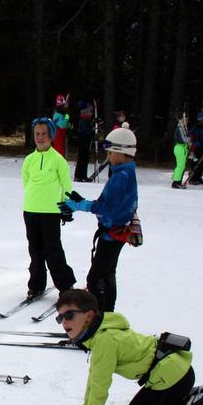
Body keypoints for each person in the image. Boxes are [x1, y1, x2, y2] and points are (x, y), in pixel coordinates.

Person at [53, 288, 203, 405]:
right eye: (60, 318)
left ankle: (195, 402)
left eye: (69, 315)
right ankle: (193, 395)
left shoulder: (104, 340)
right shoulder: (100, 334)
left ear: (89, 316)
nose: (64, 322)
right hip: (170, 374)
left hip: (172, 377)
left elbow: (100, 384)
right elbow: (94, 375)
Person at [58, 124, 140, 312]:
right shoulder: (126, 173)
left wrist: (82, 205)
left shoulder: (121, 176)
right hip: (115, 233)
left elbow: (107, 208)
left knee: (95, 279)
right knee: (107, 274)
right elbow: (113, 203)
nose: (108, 157)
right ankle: (107, 316)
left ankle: (100, 319)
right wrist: (85, 202)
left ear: (122, 151)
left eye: (111, 153)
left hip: (111, 234)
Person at [21, 117, 74, 297]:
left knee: (53, 249)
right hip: (31, 209)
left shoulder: (58, 160)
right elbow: (26, 181)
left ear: (51, 135)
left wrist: (65, 207)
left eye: (44, 134)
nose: (40, 137)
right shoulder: (29, 160)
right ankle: (36, 284)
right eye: (37, 134)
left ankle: (65, 285)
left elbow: (66, 186)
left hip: (51, 211)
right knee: (35, 250)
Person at [73, 101, 96, 182]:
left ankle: (82, 175)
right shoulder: (83, 119)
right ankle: (79, 175)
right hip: (83, 141)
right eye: (90, 112)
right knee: (82, 158)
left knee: (85, 158)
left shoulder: (86, 119)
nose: (91, 114)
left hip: (85, 141)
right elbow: (86, 131)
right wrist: (92, 131)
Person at [187, 111, 203, 185]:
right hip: (197, 147)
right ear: (202, 119)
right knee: (195, 163)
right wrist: (193, 142)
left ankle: (198, 177)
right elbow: (190, 135)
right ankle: (193, 178)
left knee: (202, 163)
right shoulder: (196, 127)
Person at [171, 113, 191, 189]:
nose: (187, 121)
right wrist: (189, 140)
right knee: (180, 166)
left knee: (181, 166)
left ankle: (178, 181)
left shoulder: (183, 127)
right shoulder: (180, 128)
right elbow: (183, 139)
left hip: (183, 148)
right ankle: (176, 182)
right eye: (186, 119)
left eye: (188, 119)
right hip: (180, 148)